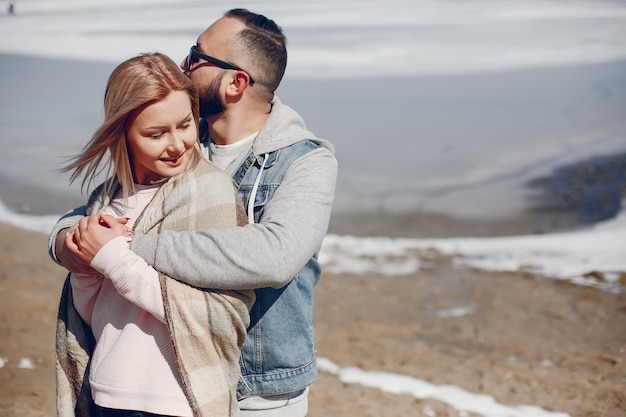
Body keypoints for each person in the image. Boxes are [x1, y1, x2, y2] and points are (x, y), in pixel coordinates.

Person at [49, 8, 338, 416]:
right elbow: (99, 207)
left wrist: (125, 245)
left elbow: (275, 256)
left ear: (235, 82)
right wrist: (66, 241)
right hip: (173, 380)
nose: (184, 66)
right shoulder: (180, 139)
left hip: (260, 386)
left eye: (196, 56)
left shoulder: (305, 161)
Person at [55, 52, 254, 417]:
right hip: (105, 392)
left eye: (185, 124)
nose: (177, 144)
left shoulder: (210, 191)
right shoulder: (109, 196)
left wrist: (114, 258)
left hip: (176, 400)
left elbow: (223, 315)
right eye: (155, 134)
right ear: (123, 133)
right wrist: (85, 270)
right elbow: (95, 313)